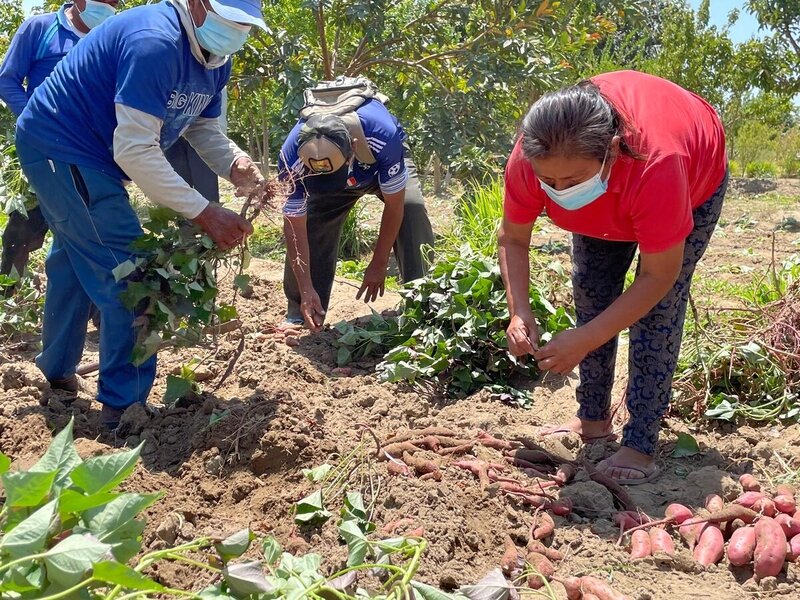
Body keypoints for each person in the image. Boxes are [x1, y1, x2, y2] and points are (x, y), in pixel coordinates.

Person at [14, 0, 267, 428]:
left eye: (245, 26)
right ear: (197, 5)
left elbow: (201, 126)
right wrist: (204, 211)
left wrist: (234, 163)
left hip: (87, 155)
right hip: (61, 146)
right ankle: (122, 411)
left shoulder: (215, 58)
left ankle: (56, 373)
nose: (237, 32)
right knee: (131, 277)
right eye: (230, 21)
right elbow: (134, 149)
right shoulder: (155, 42)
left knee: (80, 262)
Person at [499, 70, 728, 485]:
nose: (559, 189)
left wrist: (585, 339)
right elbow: (512, 239)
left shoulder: (658, 164)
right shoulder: (530, 158)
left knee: (657, 313)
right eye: (548, 181)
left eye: (572, 181)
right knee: (592, 294)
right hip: (616, 197)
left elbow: (659, 276)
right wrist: (519, 312)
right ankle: (593, 419)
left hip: (692, 179)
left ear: (613, 150)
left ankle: (640, 443)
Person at [278, 77, 435, 331]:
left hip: (375, 167)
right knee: (313, 222)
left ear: (352, 147)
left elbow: (395, 206)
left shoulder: (383, 136)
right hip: (327, 184)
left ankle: (422, 304)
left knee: (411, 208)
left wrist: (379, 263)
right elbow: (294, 230)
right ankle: (302, 311)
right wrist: (306, 289)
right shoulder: (290, 158)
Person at [0, 0, 119, 285]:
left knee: (90, 235)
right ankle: (8, 293)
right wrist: (36, 121)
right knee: (22, 232)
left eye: (115, 2)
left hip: (91, 157)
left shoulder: (112, 36)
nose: (109, 6)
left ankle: (99, 313)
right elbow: (7, 80)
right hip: (41, 151)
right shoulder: (40, 29)